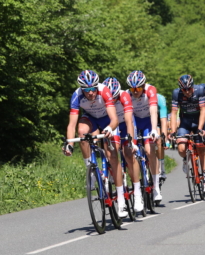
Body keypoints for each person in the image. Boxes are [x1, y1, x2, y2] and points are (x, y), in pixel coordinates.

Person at [63, 70, 127, 218]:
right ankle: (90, 171)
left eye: (93, 89)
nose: (91, 93)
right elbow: (71, 125)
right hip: (91, 118)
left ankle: (122, 201)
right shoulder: (77, 95)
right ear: (82, 89)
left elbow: (115, 119)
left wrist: (110, 129)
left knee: (113, 156)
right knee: (81, 132)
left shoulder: (104, 91)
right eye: (87, 90)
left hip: (107, 120)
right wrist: (70, 144)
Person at [103, 77, 144, 213]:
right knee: (112, 153)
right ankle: (117, 181)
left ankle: (137, 193)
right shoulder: (102, 98)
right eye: (110, 99)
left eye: (115, 98)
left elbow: (128, 121)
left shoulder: (124, 95)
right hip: (112, 125)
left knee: (128, 152)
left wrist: (131, 142)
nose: (113, 101)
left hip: (126, 124)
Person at [168, 75, 205, 192]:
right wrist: (172, 131)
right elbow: (174, 112)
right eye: (184, 90)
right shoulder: (176, 93)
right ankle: (185, 160)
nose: (187, 92)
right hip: (185, 122)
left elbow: (203, 110)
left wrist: (200, 128)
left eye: (189, 89)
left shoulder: (200, 90)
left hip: (198, 122)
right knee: (181, 147)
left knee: (201, 148)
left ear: (193, 86)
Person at [126, 70, 162, 201]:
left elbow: (153, 111)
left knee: (149, 150)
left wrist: (154, 129)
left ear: (144, 85)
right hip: (135, 122)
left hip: (147, 121)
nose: (135, 91)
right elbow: (128, 118)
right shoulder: (127, 95)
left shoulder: (150, 90)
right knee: (131, 149)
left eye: (139, 88)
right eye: (132, 88)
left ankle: (156, 186)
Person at [156, 93, 169, 182]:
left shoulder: (160, 99)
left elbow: (164, 122)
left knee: (159, 140)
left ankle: (161, 167)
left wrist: (165, 139)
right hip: (145, 120)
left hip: (158, 120)